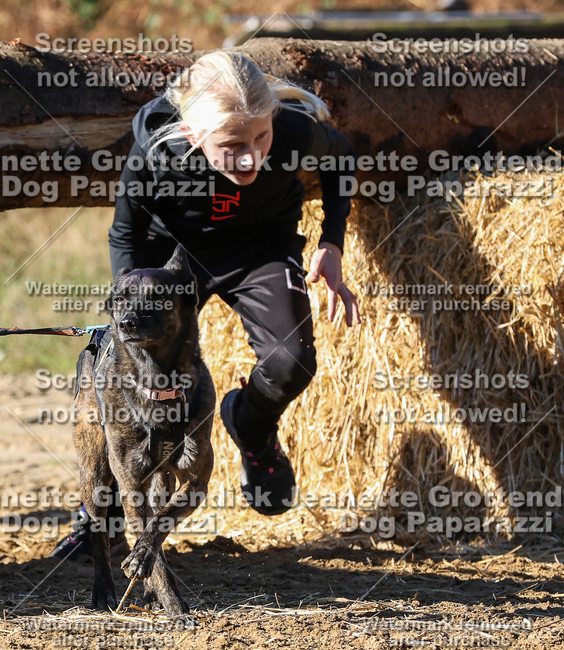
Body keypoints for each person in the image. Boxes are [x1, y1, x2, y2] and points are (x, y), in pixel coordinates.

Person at [54, 51, 361, 558]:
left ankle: (252, 427)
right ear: (195, 136)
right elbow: (125, 234)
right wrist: (130, 304)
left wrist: (332, 241)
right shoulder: (157, 151)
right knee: (124, 381)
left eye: (260, 138)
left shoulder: (293, 134)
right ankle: (96, 517)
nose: (251, 158)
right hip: (171, 258)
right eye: (232, 145)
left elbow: (341, 155)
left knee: (292, 363)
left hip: (261, 247)